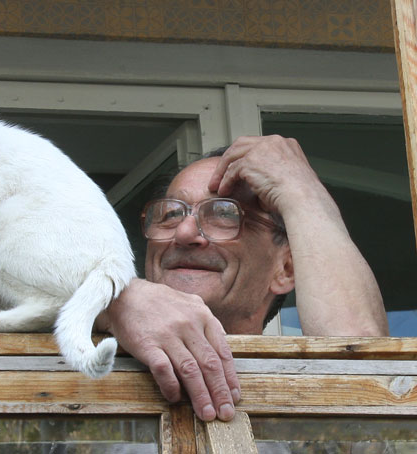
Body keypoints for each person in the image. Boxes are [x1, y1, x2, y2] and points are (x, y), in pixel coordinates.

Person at [97, 135, 388, 423]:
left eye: (223, 213)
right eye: (171, 213)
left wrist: (303, 191)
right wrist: (110, 300)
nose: (184, 233)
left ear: (286, 269)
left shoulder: (302, 405)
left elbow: (369, 382)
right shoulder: (89, 353)